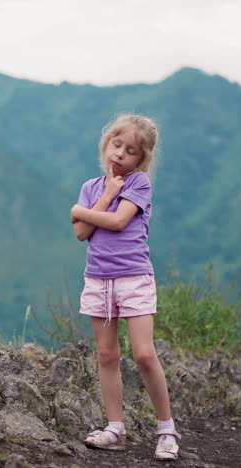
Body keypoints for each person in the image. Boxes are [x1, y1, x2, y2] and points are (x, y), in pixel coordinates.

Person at [70, 114, 181, 460]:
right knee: (107, 355)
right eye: (116, 145)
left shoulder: (139, 184)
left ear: (141, 159)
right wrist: (98, 199)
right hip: (98, 280)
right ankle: (115, 428)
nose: (120, 154)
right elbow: (81, 233)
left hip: (133, 278)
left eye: (130, 151)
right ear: (106, 144)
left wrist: (79, 211)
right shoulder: (91, 188)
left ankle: (167, 430)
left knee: (144, 353)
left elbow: (118, 223)